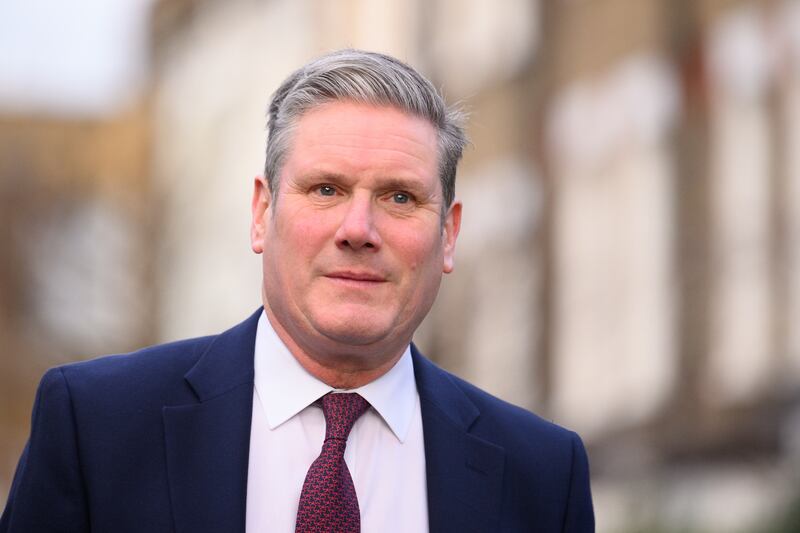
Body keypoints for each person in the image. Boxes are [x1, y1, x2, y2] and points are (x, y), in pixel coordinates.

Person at [0, 49, 594, 533]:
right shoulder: (96, 428)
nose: (358, 231)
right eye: (327, 190)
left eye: (400, 198)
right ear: (262, 213)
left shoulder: (541, 476)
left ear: (449, 234)